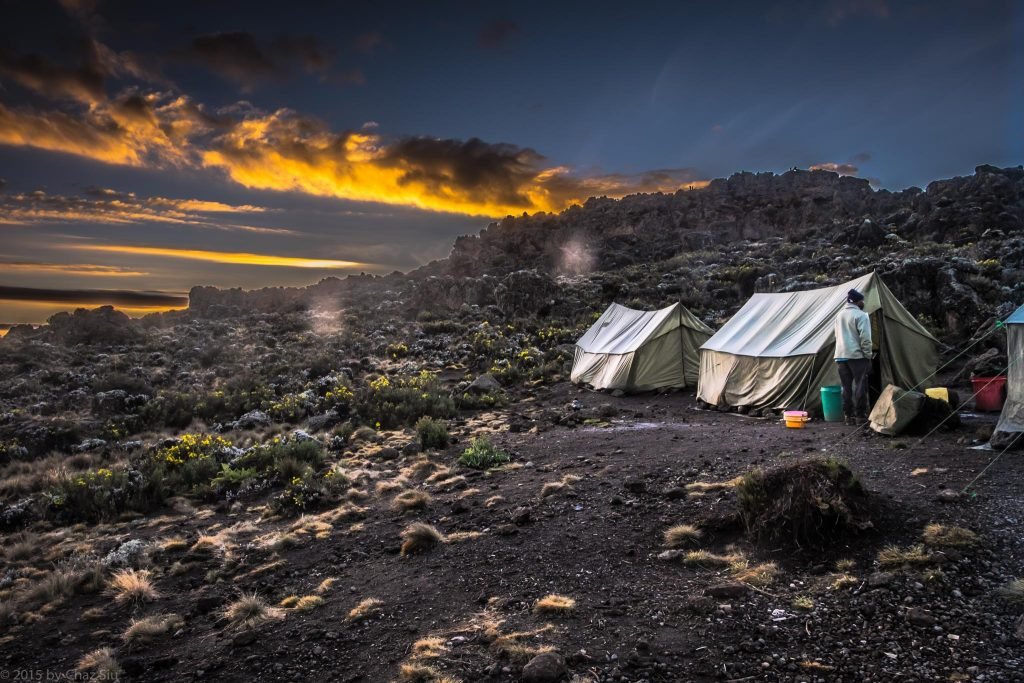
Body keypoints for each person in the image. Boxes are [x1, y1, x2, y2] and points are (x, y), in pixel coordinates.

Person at [834, 288, 873, 425]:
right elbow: (866, 338)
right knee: (860, 386)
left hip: (840, 356)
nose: (863, 302)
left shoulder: (839, 315)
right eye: (862, 300)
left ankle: (848, 416)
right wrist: (868, 355)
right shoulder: (861, 315)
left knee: (846, 387)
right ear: (858, 301)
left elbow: (837, 336)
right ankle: (860, 417)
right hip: (857, 357)